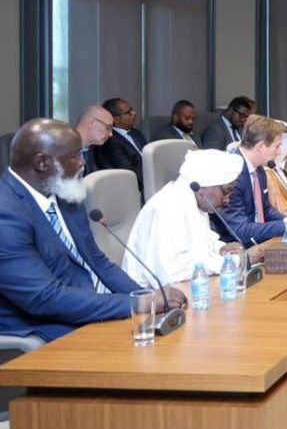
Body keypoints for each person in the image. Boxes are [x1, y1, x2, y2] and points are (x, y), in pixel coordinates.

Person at [0, 118, 186, 342]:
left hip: (90, 306)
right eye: (75, 156)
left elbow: (97, 261)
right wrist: (137, 303)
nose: (82, 163)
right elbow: (43, 297)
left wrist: (146, 296)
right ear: (42, 163)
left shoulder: (64, 193)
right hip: (44, 324)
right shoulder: (6, 213)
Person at [122, 149, 263, 286]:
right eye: (226, 192)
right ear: (201, 187)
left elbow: (200, 244)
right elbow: (173, 272)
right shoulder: (169, 207)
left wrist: (221, 249)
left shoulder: (194, 200)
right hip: (150, 295)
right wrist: (237, 261)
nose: (227, 199)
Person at [217, 114, 287, 244]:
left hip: (260, 241)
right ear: (261, 146)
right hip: (237, 247)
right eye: (277, 146)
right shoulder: (231, 176)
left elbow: (266, 210)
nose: (279, 152)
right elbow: (241, 231)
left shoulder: (259, 170)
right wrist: (286, 225)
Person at [93, 97, 148, 195]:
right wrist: (154, 179)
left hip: (150, 179)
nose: (134, 113)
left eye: (132, 110)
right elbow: (129, 172)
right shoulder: (109, 141)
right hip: (134, 188)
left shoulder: (136, 133)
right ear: (116, 119)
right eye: (128, 112)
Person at [73, 104, 113, 175]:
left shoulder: (90, 150)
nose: (110, 134)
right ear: (92, 123)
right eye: (108, 128)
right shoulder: (62, 149)